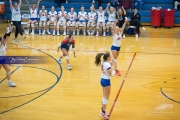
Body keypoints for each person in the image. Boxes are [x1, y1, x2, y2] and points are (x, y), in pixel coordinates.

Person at [94, 52, 115, 119]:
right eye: (110, 56)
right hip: (106, 81)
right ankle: (103, 112)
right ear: (108, 57)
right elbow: (111, 74)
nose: (111, 56)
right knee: (106, 98)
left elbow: (106, 69)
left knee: (104, 96)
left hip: (102, 79)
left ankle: (103, 110)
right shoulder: (107, 65)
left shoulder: (104, 63)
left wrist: (110, 65)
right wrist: (114, 69)